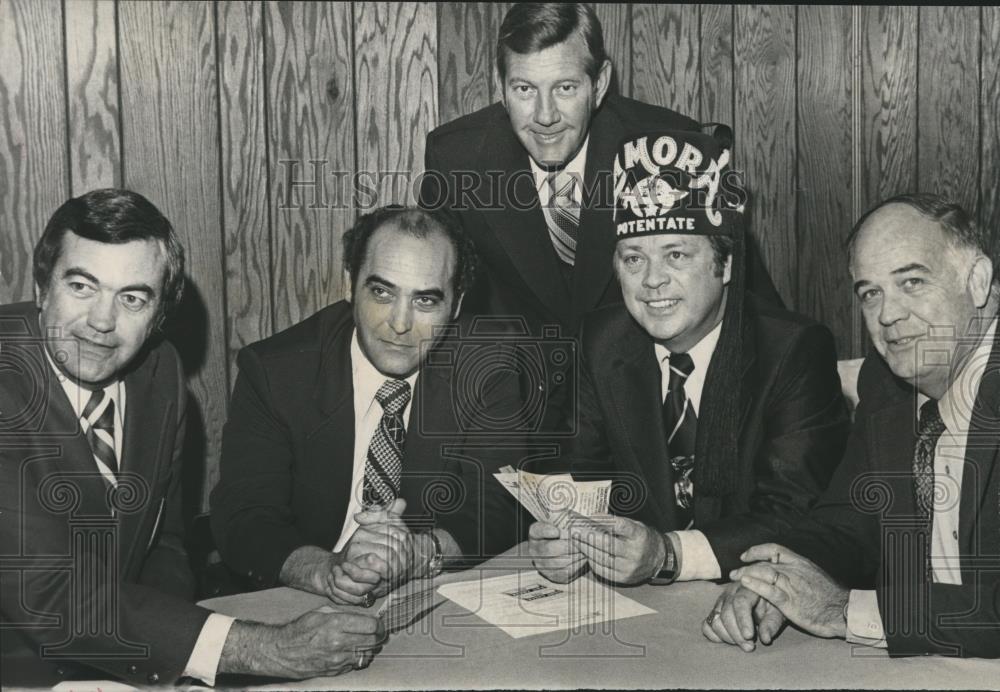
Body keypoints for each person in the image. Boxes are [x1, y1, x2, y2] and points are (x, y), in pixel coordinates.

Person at [0, 190, 382, 687]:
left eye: (132, 298)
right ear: (41, 286)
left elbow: (167, 547)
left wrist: (166, 667)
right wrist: (258, 649)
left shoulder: (157, 372)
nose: (101, 321)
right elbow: (47, 592)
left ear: (159, 316)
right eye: (81, 286)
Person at [527, 130, 849, 587]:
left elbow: (797, 515)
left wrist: (669, 553)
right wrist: (564, 539)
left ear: (728, 264)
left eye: (676, 254)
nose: (652, 281)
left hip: (750, 602)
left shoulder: (794, 351)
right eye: (633, 258)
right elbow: (581, 477)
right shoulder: (602, 341)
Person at [704, 193, 1000, 659]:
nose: (888, 315)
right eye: (871, 292)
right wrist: (778, 579)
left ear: (978, 280)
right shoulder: (888, 381)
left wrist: (845, 611)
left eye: (913, 282)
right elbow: (846, 524)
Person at [210, 206, 523, 606]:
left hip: (425, 591)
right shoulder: (276, 371)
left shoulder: (486, 368)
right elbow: (245, 515)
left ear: (456, 306)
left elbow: (497, 505)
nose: (399, 323)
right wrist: (327, 570)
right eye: (382, 292)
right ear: (349, 286)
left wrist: (417, 554)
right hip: (300, 592)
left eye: (425, 300)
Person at [420, 2, 782, 343]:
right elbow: (427, 295)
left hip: (637, 390)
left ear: (600, 83)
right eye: (525, 89)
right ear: (501, 87)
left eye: (565, 88)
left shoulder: (666, 144)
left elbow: (750, 302)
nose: (545, 116)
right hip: (511, 390)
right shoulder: (456, 159)